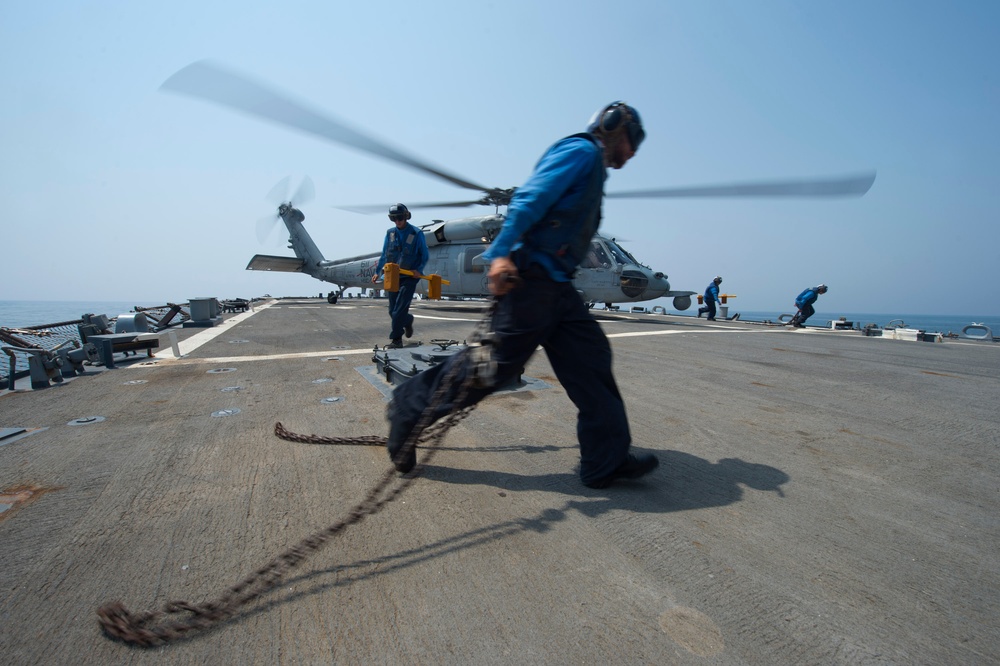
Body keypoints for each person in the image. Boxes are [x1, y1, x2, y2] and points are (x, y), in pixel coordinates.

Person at [384, 102, 659, 489]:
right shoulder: (580, 152)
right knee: (491, 367)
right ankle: (407, 409)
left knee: (592, 361)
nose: (633, 153)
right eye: (635, 141)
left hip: (559, 288)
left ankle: (605, 461)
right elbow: (530, 198)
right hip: (531, 282)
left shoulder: (593, 167)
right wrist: (499, 254)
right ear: (614, 127)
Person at [372, 203, 429, 348]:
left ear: (406, 217)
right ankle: (408, 320)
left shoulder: (416, 233)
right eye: (394, 218)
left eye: (400, 218)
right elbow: (385, 254)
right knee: (392, 311)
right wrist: (377, 272)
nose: (398, 221)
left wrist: (419, 270)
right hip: (392, 276)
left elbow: (425, 255)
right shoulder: (390, 233)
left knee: (399, 310)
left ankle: (396, 340)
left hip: (409, 277)